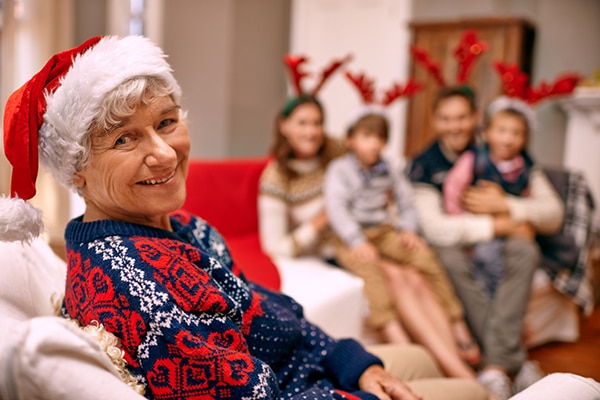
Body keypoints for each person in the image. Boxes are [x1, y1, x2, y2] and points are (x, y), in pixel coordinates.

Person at [3, 35, 488, 400]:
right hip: (302, 390)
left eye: (166, 122)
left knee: (420, 358)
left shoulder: (186, 228)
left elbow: (264, 308)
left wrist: (351, 359)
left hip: (308, 368)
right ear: (77, 171)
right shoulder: (131, 287)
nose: (164, 154)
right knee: (474, 394)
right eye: (124, 139)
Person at [408, 86, 564, 400]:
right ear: (435, 121)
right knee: (450, 259)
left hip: (499, 242)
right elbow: (436, 229)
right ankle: (512, 361)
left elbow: (553, 213)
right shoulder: (424, 165)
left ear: (477, 118)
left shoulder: (501, 147)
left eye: (462, 117)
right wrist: (497, 224)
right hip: (454, 245)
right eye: (446, 118)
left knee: (525, 249)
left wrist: (506, 204)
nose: (455, 126)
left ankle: (495, 368)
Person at [323, 111, 480, 380]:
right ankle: (397, 337)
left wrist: (408, 229)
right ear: (351, 140)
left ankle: (457, 321)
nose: (374, 144)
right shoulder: (340, 170)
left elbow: (407, 201)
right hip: (351, 236)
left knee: (423, 256)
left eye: (380, 138)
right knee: (372, 272)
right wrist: (356, 241)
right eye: (366, 137)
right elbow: (336, 209)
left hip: (383, 231)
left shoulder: (388, 168)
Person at [442, 97, 537, 297]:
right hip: (478, 226)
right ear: (486, 133)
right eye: (501, 131)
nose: (508, 139)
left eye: (516, 133)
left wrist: (513, 211)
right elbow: (453, 187)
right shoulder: (475, 159)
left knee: (519, 256)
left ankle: (499, 299)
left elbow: (528, 200)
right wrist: (458, 216)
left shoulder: (525, 167)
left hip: (509, 227)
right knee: (486, 256)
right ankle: (490, 297)